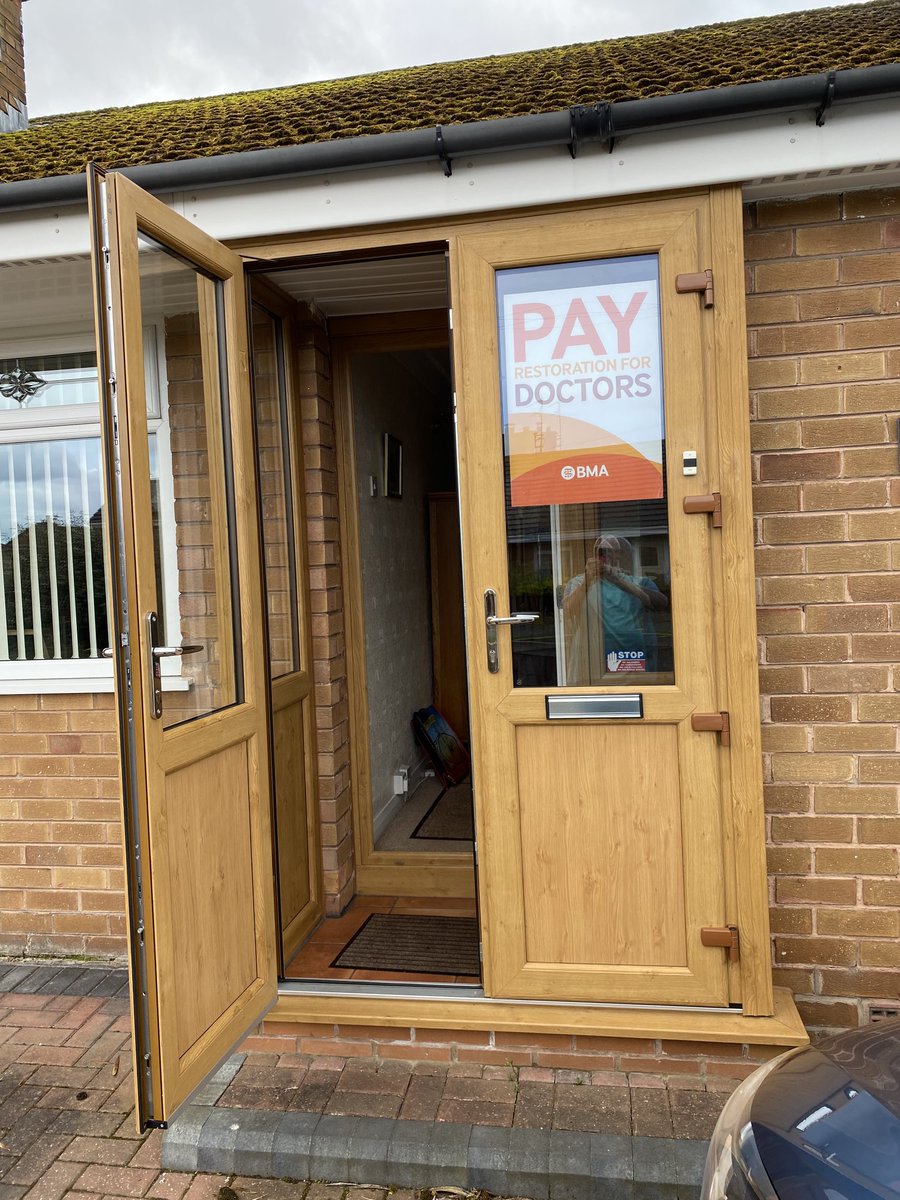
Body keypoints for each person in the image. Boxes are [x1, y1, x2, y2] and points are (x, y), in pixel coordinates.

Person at [562, 535, 668, 681]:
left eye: (611, 552)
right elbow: (568, 611)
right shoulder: (579, 582)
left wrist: (618, 581)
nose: (606, 557)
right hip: (593, 664)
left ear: (620, 555)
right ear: (594, 555)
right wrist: (588, 580)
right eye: (602, 552)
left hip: (632, 661)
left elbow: (662, 603)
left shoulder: (637, 581)